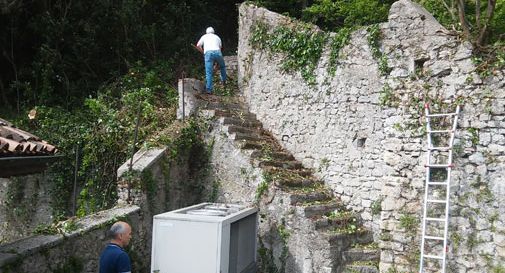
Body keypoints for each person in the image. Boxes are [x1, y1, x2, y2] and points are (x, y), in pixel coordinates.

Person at [196, 26, 227, 94]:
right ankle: (224, 82)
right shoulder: (217, 37)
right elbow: (220, 47)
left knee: (209, 72)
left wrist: (203, 52)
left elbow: (198, 45)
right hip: (218, 52)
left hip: (208, 53)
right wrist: (217, 61)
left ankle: (209, 90)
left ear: (206, 32)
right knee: (222, 67)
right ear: (213, 32)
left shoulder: (204, 36)